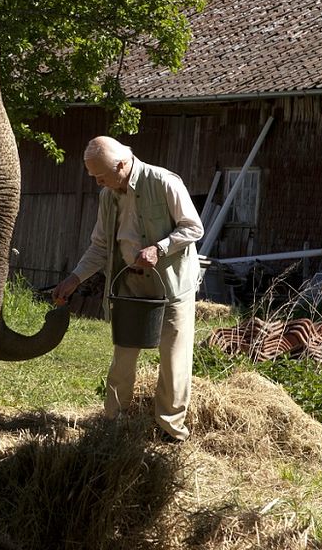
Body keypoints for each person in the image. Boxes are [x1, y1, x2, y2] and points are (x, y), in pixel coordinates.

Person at [52, 136, 203, 442]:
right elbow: (100, 246)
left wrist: (160, 249)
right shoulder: (109, 195)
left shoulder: (163, 182)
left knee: (174, 362)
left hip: (172, 286)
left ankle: (171, 431)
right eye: (94, 177)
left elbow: (193, 227)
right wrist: (74, 279)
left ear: (122, 165)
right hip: (130, 285)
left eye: (102, 176)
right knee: (123, 358)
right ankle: (113, 423)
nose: (98, 183)